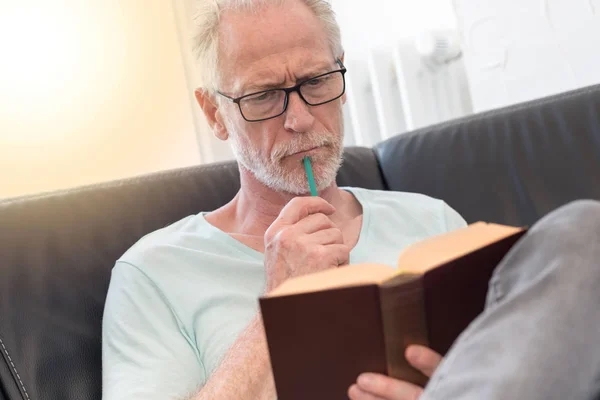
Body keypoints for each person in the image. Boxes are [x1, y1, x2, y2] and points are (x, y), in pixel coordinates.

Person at [101, 1, 600, 399]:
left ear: (341, 80)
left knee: (583, 231)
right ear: (214, 113)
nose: (299, 119)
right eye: (263, 96)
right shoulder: (154, 272)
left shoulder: (431, 219)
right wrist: (281, 311)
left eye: (316, 81)